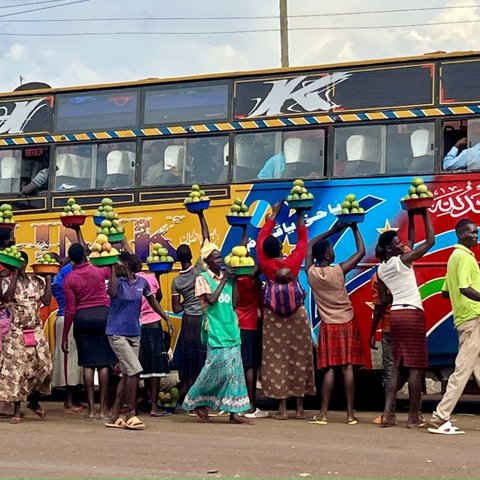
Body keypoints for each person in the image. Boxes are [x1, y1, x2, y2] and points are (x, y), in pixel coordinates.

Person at [256, 201, 316, 420]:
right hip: (297, 316)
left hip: (273, 317)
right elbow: (302, 239)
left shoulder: (264, 263)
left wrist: (274, 212)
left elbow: (262, 235)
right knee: (299, 358)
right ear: (281, 248)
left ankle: (281, 409)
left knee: (276, 360)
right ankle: (299, 408)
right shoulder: (292, 263)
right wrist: (299, 213)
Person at [376, 208, 435, 428]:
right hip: (412, 313)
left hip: (396, 315)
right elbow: (430, 241)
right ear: (391, 248)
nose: (403, 244)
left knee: (397, 367)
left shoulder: (381, 269)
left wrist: (411, 215)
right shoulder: (402, 261)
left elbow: (383, 300)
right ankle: (413, 416)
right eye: (398, 242)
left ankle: (387, 414)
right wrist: (425, 212)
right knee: (415, 367)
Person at [182, 242, 251, 424]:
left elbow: (234, 303)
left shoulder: (226, 278)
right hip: (215, 329)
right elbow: (211, 300)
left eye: (220, 256)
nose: (220, 260)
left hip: (231, 328)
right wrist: (224, 281)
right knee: (214, 369)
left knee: (235, 372)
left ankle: (234, 412)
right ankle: (195, 399)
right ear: (207, 261)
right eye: (216, 257)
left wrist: (234, 281)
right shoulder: (202, 278)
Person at [105, 252, 174, 430]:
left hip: (134, 333)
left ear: (126, 266)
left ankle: (114, 415)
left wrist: (165, 318)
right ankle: (130, 413)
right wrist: (112, 268)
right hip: (117, 333)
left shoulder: (141, 282)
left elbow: (152, 301)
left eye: (118, 264)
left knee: (128, 374)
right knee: (135, 371)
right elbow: (111, 293)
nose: (115, 267)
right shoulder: (116, 283)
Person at [306, 222, 366, 425]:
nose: (333, 252)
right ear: (328, 256)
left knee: (329, 369)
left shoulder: (311, 273)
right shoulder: (339, 270)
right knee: (347, 368)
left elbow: (310, 245)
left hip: (327, 324)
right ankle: (350, 414)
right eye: (331, 250)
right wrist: (354, 227)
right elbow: (361, 251)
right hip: (346, 321)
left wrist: (333, 230)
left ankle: (323, 413)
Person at [428, 219, 480, 435]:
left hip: (465, 318)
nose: (476, 236)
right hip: (472, 318)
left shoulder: (454, 257)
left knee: (477, 367)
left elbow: (446, 292)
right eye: (472, 233)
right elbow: (464, 288)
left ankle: (440, 416)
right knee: (462, 370)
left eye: (476, 232)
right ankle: (440, 417)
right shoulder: (464, 257)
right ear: (460, 234)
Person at [62, 243, 117, 421]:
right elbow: (111, 270)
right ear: (86, 256)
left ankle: (91, 410)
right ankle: (104, 410)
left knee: (87, 364)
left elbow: (70, 310)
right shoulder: (99, 272)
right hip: (103, 316)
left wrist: (64, 335)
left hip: (83, 319)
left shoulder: (69, 279)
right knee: (103, 364)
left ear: (72, 260)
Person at [0, 251, 52, 424]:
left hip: (35, 330)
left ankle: (34, 400)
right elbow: (6, 298)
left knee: (44, 366)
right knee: (17, 371)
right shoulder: (6, 282)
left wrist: (49, 279)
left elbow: (46, 300)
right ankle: (16, 410)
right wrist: (13, 275)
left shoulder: (36, 282)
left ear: (25, 264)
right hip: (16, 331)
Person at [171, 211, 209, 401]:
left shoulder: (177, 282)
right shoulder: (200, 270)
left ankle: (188, 390)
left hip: (188, 323)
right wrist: (201, 215)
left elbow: (176, 309)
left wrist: (187, 300)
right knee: (203, 356)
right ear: (192, 256)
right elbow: (206, 240)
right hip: (203, 320)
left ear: (178, 259)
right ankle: (203, 394)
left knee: (189, 357)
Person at [131, 255, 174, 417]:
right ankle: (154, 407)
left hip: (136, 325)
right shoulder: (150, 278)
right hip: (153, 324)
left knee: (135, 367)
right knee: (154, 368)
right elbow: (158, 298)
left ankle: (133, 406)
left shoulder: (128, 282)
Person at [50, 226, 86, 413]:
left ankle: (73, 399)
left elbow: (81, 252)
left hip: (68, 318)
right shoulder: (63, 274)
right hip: (67, 319)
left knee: (73, 359)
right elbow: (82, 253)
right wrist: (78, 231)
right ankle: (68, 401)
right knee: (69, 360)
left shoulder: (59, 273)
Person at [235, 224, 269, 419]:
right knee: (250, 367)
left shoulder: (235, 281)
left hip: (235, 327)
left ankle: (236, 404)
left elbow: (241, 252)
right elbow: (258, 266)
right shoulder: (254, 282)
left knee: (239, 366)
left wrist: (244, 232)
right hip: (251, 326)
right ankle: (250, 407)